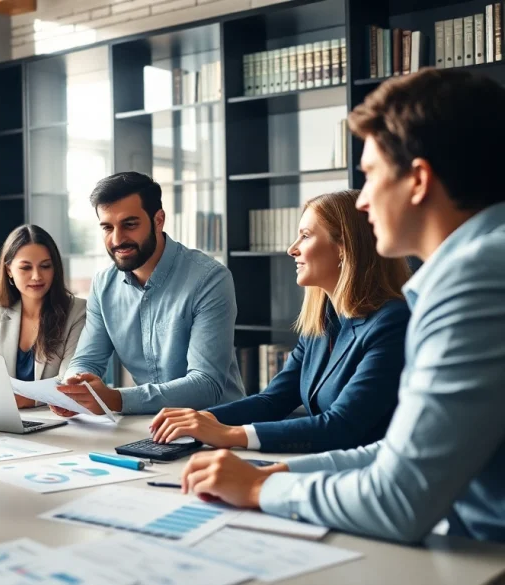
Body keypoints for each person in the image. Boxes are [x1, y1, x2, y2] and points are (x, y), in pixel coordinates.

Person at [178, 68, 505, 544]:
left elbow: (399, 500)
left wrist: (259, 487)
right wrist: (271, 474)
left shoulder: (473, 280)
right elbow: (396, 454)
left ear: (417, 180)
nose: (364, 201)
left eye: (370, 175)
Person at [149, 190, 410, 453]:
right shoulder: (324, 322)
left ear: (344, 248)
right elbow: (272, 401)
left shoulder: (391, 324)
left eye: (305, 236)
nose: (292, 248)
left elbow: (341, 426)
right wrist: (205, 419)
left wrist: (230, 434)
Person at [52, 171, 244, 417]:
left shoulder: (210, 279)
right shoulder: (103, 284)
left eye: (129, 225)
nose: (117, 239)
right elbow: (87, 361)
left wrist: (115, 398)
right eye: (107, 227)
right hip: (147, 424)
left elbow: (206, 384)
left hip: (217, 426)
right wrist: (74, 389)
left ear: (158, 220)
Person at [0, 225, 86, 408]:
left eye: (45, 266)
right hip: (3, 416)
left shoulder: (78, 311)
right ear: (9, 270)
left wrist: (21, 400)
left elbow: (69, 383)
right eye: (26, 268)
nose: (36, 276)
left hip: (54, 422)